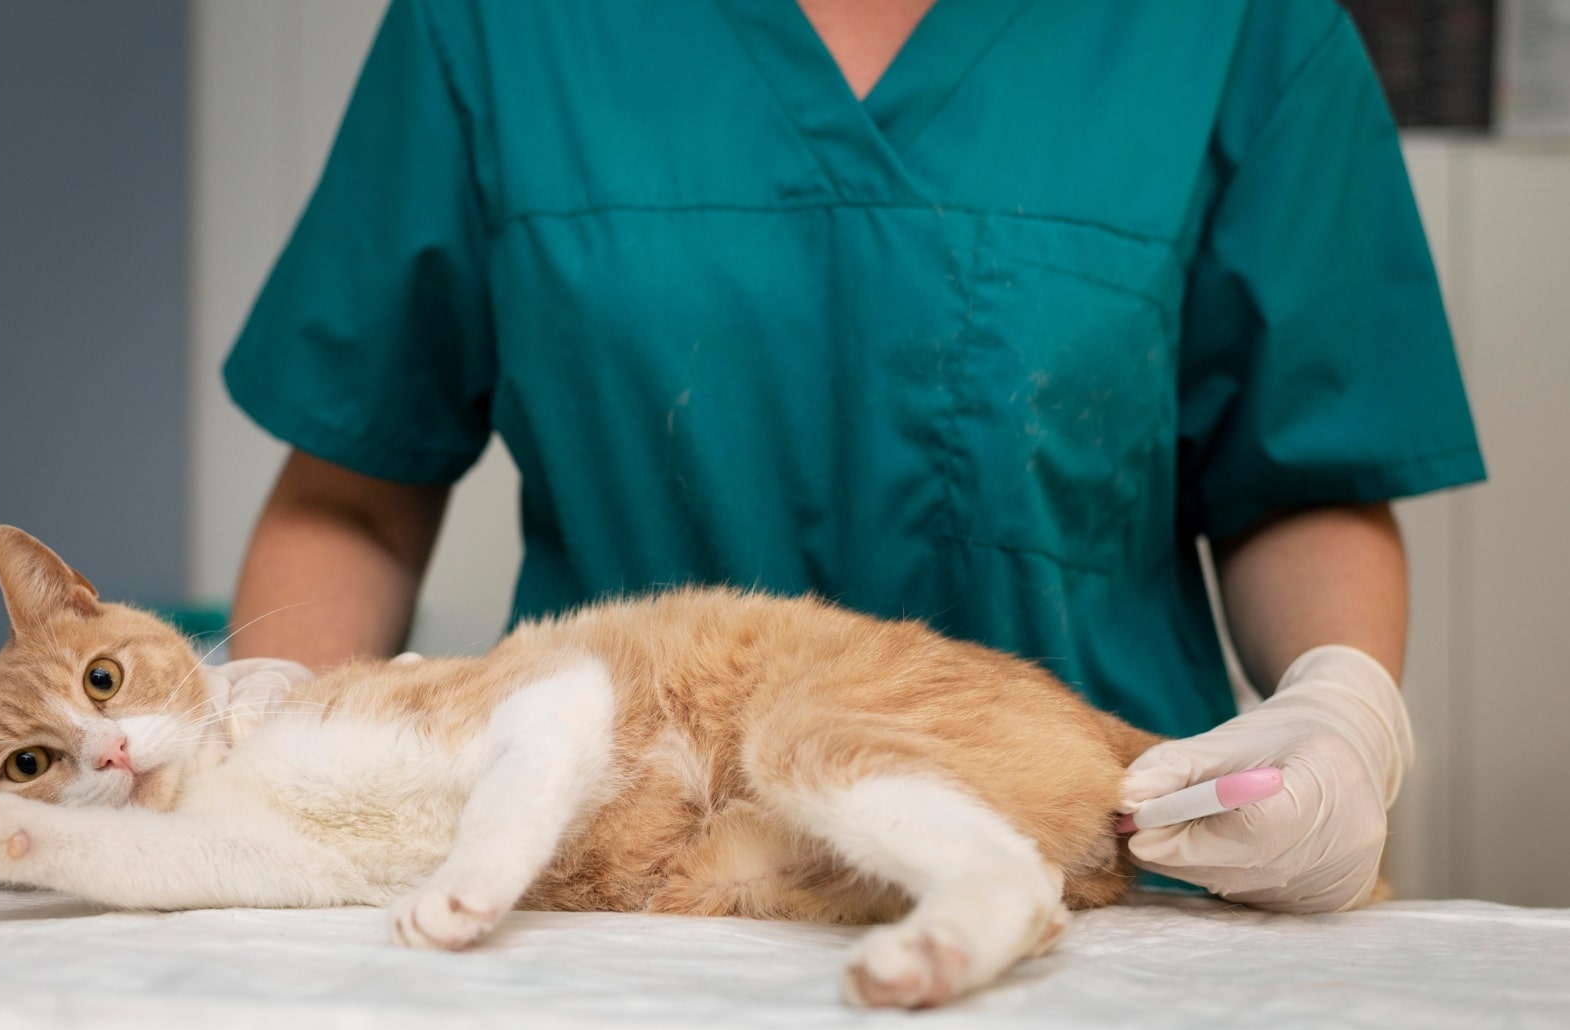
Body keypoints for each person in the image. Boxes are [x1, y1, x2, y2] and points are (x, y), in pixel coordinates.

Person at [220, 0, 1483, 914]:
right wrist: (267, 744)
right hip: (601, 891)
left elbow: (1299, 482)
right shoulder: (495, 27)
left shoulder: (1237, 29)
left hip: (1096, 876)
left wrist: (1339, 710)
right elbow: (358, 493)